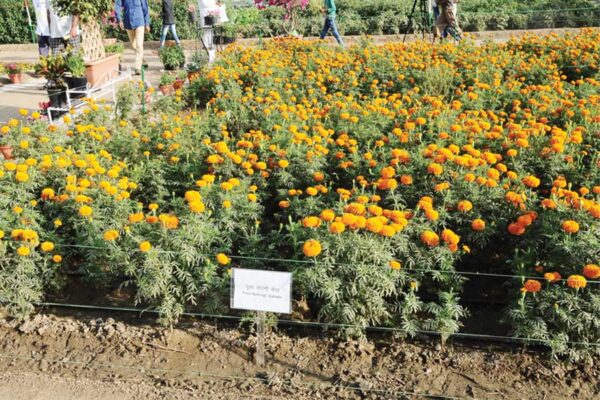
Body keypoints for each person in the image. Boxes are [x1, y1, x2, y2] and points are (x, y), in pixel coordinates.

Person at [115, 0, 151, 75]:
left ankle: (137, 68)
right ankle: (142, 60)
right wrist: (119, 19)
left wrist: (147, 23)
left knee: (139, 45)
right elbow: (117, 6)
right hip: (128, 23)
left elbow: (145, 8)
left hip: (139, 22)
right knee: (134, 46)